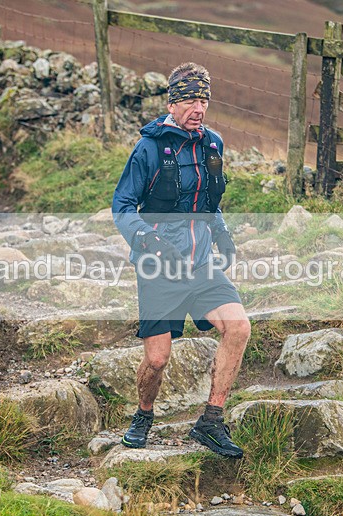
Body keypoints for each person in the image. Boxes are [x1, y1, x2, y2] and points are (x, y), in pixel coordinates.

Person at [111, 62, 251, 458]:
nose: (198, 107)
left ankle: (211, 421)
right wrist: (148, 240)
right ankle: (143, 414)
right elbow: (122, 206)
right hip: (159, 265)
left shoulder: (213, 145)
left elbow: (208, 202)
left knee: (238, 328)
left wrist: (221, 232)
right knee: (156, 360)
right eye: (190, 98)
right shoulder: (149, 149)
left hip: (201, 262)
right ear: (172, 103)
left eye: (204, 98)